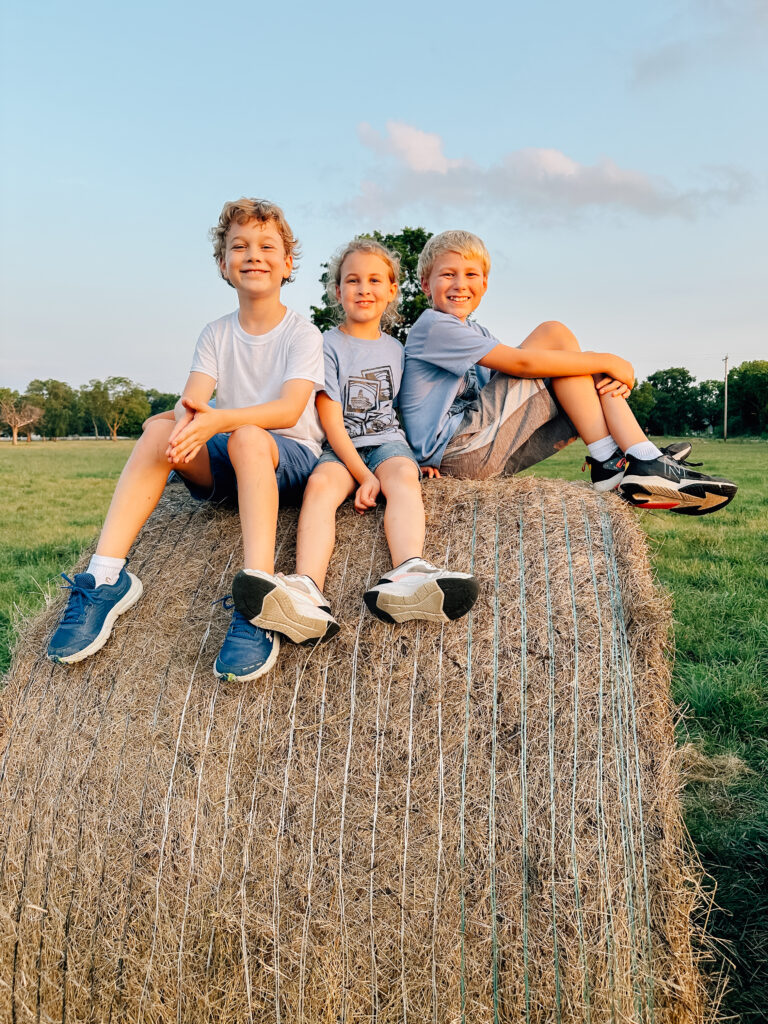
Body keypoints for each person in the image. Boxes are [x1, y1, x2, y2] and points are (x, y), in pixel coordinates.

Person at [47, 198, 326, 681]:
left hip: (289, 459)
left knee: (248, 437)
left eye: (266, 246)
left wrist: (217, 421)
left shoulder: (302, 333)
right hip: (232, 463)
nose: (253, 255)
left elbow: (289, 409)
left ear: (287, 264)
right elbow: (192, 401)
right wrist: (183, 418)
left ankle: (256, 594)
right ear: (223, 264)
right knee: (160, 429)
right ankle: (106, 575)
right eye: (239, 246)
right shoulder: (215, 332)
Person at [231, 237, 478, 643]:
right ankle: (307, 586)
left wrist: (420, 457)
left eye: (375, 280)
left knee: (402, 477)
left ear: (392, 290)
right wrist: (363, 474)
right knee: (321, 486)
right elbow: (330, 415)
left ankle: (409, 570)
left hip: (387, 442)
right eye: (353, 280)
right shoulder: (325, 344)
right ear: (337, 291)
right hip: (339, 445)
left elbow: (407, 409)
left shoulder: (397, 349)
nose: (364, 289)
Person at [398, 230, 737, 515]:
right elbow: (523, 365)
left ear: (484, 283)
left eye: (471, 275)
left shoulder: (477, 333)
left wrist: (592, 367)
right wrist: (607, 360)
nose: (460, 284)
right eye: (448, 274)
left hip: (480, 457)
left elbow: (528, 376)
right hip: (459, 451)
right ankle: (634, 459)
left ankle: (630, 460)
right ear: (426, 284)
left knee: (571, 368)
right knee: (554, 335)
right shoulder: (433, 326)